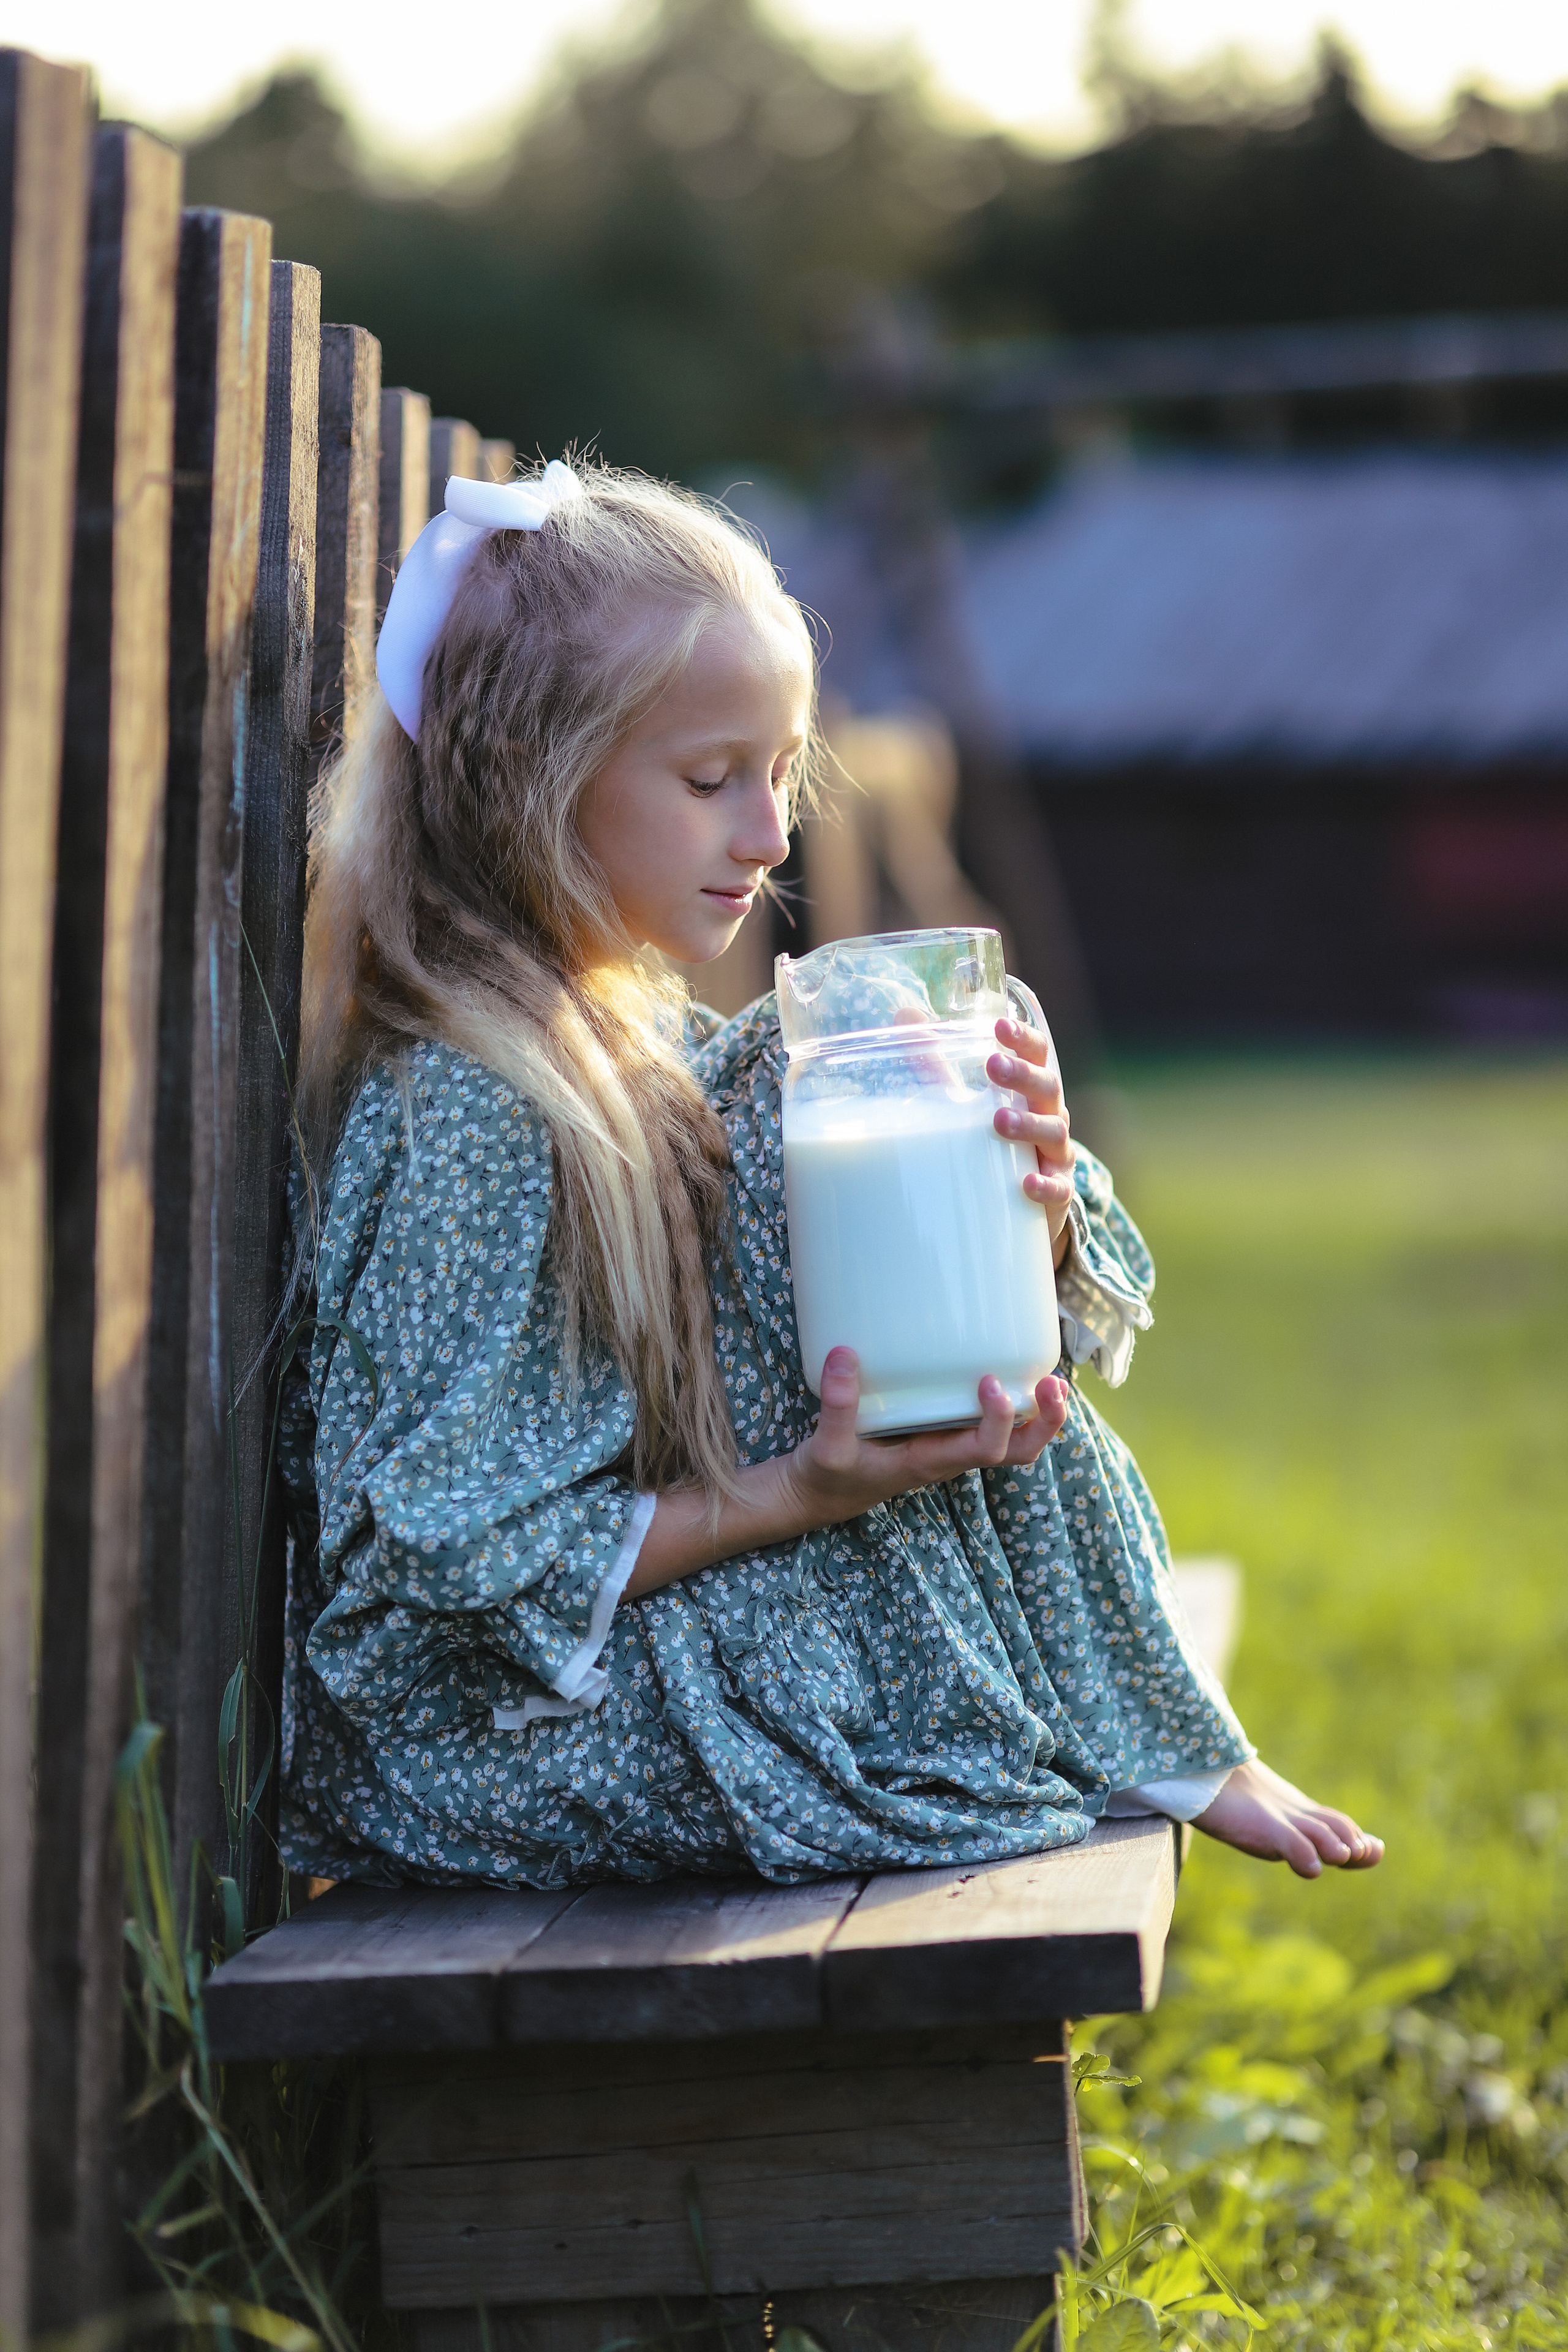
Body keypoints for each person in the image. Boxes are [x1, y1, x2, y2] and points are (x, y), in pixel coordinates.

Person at [278, 459, 1382, 1891]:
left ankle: (1148, 1719)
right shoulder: (475, 1107)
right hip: (485, 1729)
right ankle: (1141, 1724)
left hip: (570, 1667)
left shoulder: (622, 1055)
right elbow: (446, 1567)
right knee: (915, 1573)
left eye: (783, 772)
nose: (771, 834)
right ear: (528, 785)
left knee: (883, 1105)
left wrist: (1023, 1211)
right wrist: (802, 1492)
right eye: (708, 779)